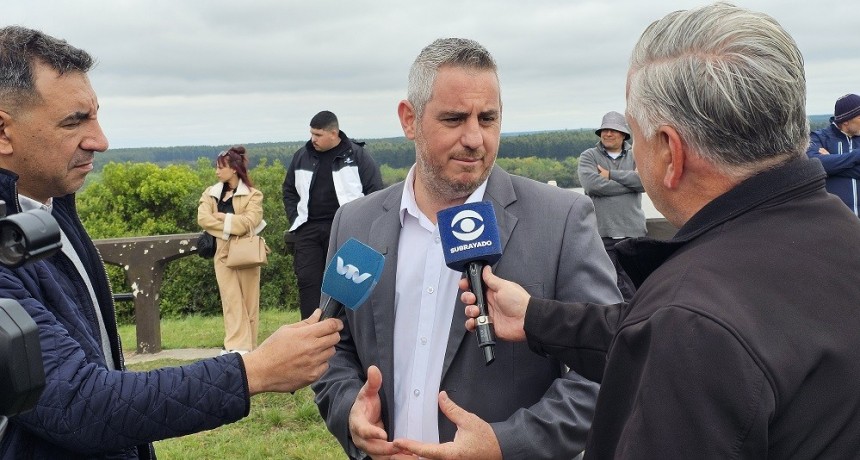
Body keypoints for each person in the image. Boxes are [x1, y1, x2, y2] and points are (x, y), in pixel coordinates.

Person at [432, 4, 860, 459]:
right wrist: (536, 318)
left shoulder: (692, 316)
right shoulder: (839, 236)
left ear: (671, 153)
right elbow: (667, 336)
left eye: (637, 136)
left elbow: (686, 334)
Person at [0, 25, 343, 458]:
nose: (100, 140)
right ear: (3, 131)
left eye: (95, 114)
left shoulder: (46, 208)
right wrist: (254, 371)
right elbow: (81, 405)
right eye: (74, 121)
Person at [312, 37, 622, 460]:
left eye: (488, 118)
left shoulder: (562, 219)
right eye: (455, 119)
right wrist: (351, 413)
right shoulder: (355, 223)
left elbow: (611, 368)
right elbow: (330, 346)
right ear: (410, 119)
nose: (475, 138)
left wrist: (504, 445)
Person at [283, 110, 383, 319]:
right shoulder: (302, 156)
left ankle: (343, 335)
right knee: (308, 281)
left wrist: (364, 226)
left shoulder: (356, 156)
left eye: (318, 135)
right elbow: (289, 190)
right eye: (311, 134)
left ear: (333, 133)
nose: (313, 139)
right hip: (308, 230)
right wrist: (295, 219)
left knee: (345, 284)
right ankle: (310, 334)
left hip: (346, 229)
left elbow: (375, 192)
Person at [198, 145, 265, 354]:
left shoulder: (253, 195)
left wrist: (224, 218)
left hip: (246, 251)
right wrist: (231, 227)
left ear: (234, 169)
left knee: (249, 300)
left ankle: (249, 348)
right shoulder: (211, 193)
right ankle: (235, 346)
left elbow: (250, 222)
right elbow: (203, 219)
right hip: (222, 251)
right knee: (230, 299)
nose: (217, 172)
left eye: (221, 167)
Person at [577, 111, 645, 300]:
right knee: (608, 284)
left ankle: (634, 320)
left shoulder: (637, 155)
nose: (607, 134)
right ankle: (618, 321)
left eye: (613, 130)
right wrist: (630, 182)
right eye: (604, 130)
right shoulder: (589, 156)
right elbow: (592, 185)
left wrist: (611, 175)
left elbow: (645, 183)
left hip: (633, 233)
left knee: (635, 285)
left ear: (623, 134)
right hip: (602, 234)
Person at [806, 93, 860, 216]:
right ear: (846, 121)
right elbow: (815, 166)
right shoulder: (818, 138)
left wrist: (832, 164)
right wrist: (857, 155)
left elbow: (824, 166)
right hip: (834, 220)